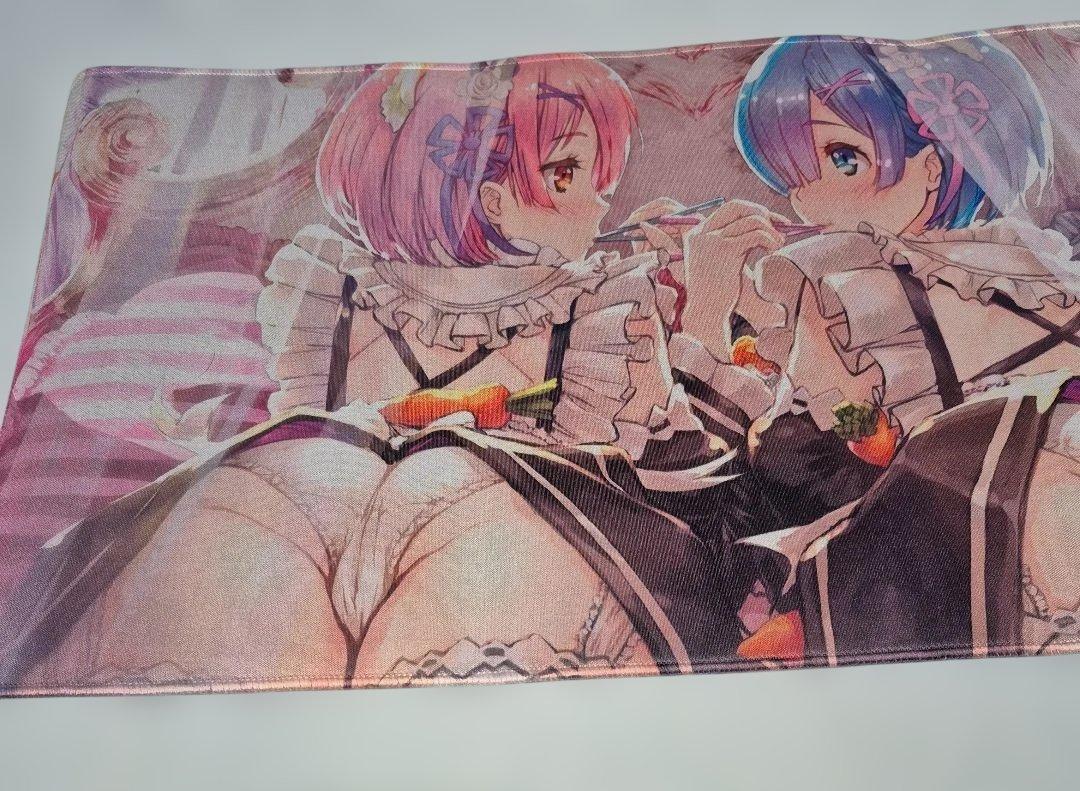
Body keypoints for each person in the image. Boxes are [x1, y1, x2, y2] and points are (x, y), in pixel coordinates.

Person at [2, 57, 760, 692]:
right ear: (491, 198)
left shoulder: (584, 307)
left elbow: (682, 486)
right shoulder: (335, 286)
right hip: (363, 510)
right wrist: (707, 313)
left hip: (368, 508)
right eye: (567, 173)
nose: (600, 199)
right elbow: (692, 483)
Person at [663, 35, 1080, 663]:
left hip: (928, 594)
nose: (808, 200)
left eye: (844, 159)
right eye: (795, 177)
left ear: (933, 166)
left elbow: (738, 494)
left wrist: (707, 316)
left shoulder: (840, 288)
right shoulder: (1045, 275)